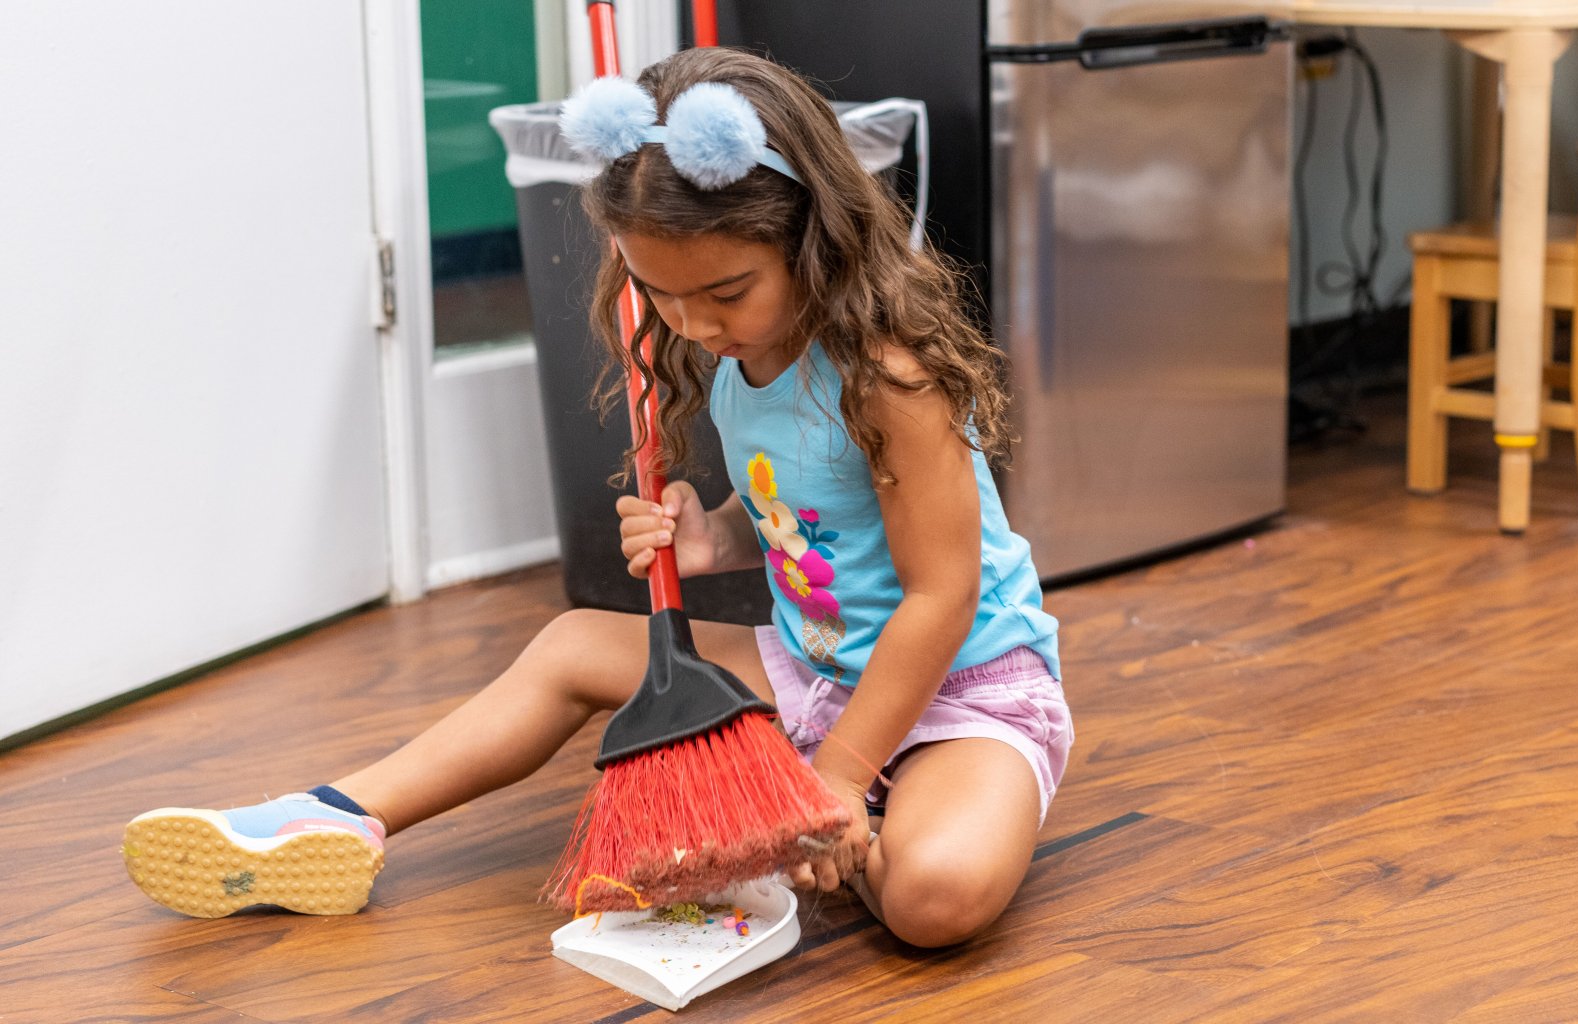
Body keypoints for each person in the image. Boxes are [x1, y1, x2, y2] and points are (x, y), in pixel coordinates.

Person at [123, 47, 1071, 949]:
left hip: (961, 688)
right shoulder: (744, 357)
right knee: (578, 641)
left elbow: (939, 596)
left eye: (727, 291)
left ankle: (823, 817)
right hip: (818, 680)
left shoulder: (889, 380)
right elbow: (811, 518)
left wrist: (836, 775)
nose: (695, 324)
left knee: (934, 900)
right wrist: (719, 538)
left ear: (810, 236)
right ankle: (332, 816)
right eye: (662, 296)